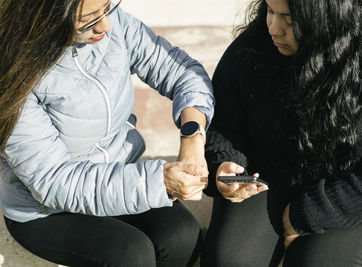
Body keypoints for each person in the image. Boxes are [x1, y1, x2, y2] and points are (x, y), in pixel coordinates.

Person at [0, 0, 214, 266]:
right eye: (88, 18)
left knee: (182, 235)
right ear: (42, 15)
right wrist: (159, 182)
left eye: (107, 7)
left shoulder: (114, 24)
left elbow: (183, 72)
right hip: (46, 208)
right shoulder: (10, 72)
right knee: (130, 254)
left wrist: (192, 137)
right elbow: (55, 182)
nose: (105, 25)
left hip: (118, 174)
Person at [201, 0, 362, 266]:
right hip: (270, 172)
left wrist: (307, 212)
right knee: (229, 260)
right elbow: (223, 123)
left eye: (290, 19)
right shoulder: (254, 46)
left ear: (328, 15)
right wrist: (224, 161)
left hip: (357, 183)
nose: (273, 28)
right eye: (270, 11)